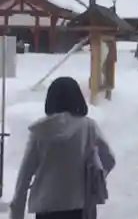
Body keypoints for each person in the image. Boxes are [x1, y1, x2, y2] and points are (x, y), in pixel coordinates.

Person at [10, 76, 115, 219]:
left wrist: (17, 211)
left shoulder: (40, 131)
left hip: (45, 207)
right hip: (79, 206)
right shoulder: (89, 128)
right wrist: (93, 177)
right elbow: (109, 158)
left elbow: (25, 174)